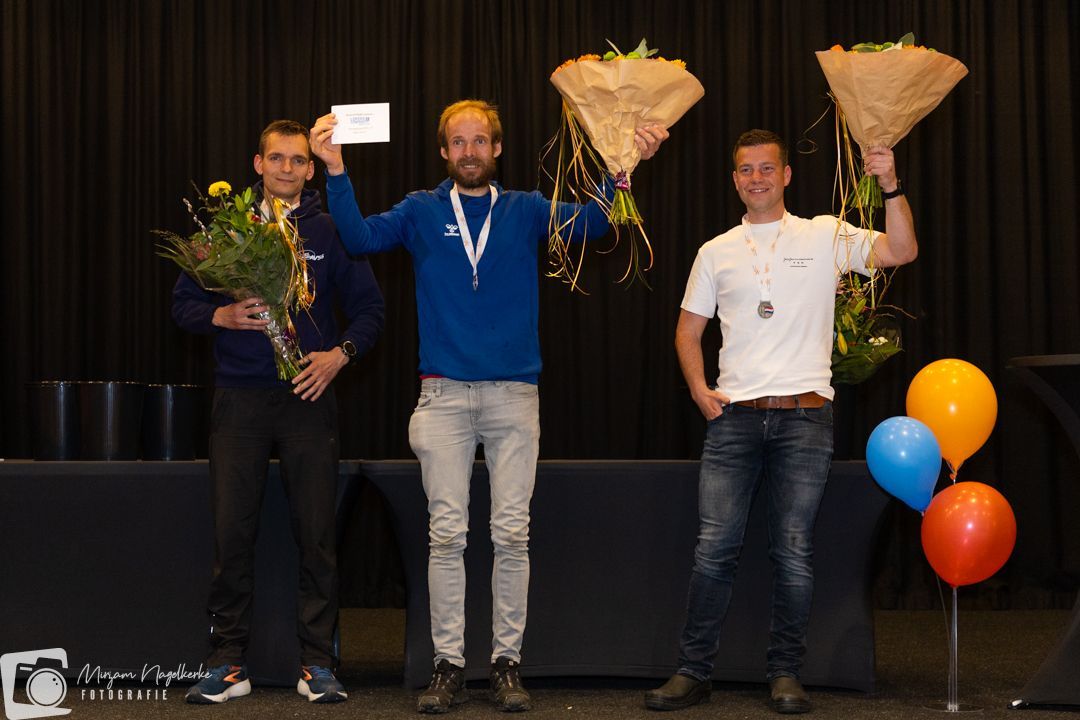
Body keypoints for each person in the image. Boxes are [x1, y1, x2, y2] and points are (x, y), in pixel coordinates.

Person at [309, 100, 667, 713]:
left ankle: (506, 664)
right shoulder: (421, 210)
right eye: (459, 142)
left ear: (497, 149)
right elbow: (360, 237)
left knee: (511, 534)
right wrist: (336, 169)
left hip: (513, 395)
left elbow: (595, 224)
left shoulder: (525, 208)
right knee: (446, 535)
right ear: (443, 151)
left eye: (480, 141)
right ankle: (447, 665)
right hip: (443, 396)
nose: (469, 151)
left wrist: (624, 167)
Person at [645, 129, 917, 714]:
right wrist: (698, 388)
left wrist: (891, 184)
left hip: (805, 419)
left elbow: (901, 251)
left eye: (767, 168)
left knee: (793, 551)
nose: (757, 179)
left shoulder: (823, 234)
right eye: (746, 170)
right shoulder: (715, 250)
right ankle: (693, 671)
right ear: (734, 179)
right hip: (733, 420)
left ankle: (786, 672)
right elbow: (688, 330)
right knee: (713, 550)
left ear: (787, 175)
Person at [175, 119, 385, 705]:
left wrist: (339, 356)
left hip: (307, 399)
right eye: (276, 158)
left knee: (317, 536)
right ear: (258, 164)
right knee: (231, 535)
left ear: (311, 169)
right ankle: (227, 663)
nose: (286, 168)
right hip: (239, 400)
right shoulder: (228, 227)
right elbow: (183, 304)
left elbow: (371, 310)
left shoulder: (332, 229)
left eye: (297, 160)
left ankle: (318, 663)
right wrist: (219, 316)